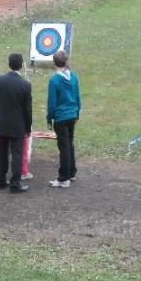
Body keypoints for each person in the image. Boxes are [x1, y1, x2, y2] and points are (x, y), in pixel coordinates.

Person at [0, 53, 32, 193]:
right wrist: (28, 127)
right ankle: (15, 184)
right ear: (21, 65)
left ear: (9, 64)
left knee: (1, 154)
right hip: (17, 126)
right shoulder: (25, 85)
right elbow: (27, 110)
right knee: (17, 155)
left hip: (2, 125)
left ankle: (0, 181)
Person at [46, 50, 81, 188]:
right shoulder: (73, 77)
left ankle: (63, 178)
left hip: (61, 118)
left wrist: (50, 118)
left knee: (64, 147)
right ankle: (71, 173)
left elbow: (52, 102)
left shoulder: (54, 80)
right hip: (72, 115)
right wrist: (77, 112)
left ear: (54, 63)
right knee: (69, 145)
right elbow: (77, 98)